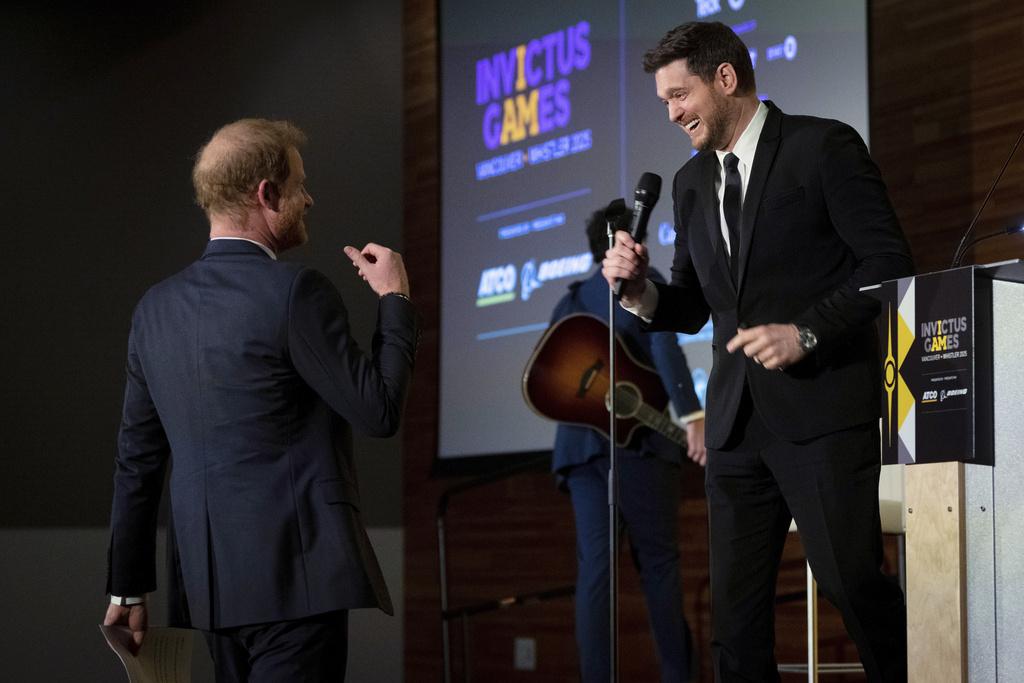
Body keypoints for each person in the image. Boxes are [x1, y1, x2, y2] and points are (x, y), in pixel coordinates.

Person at [602, 22, 913, 682]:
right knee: (736, 627)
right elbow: (692, 304)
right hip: (735, 426)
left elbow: (887, 263)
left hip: (822, 413)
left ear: (725, 78)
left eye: (679, 95)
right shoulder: (689, 183)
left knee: (853, 585)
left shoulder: (821, 146)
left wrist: (805, 332)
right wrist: (638, 292)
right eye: (663, 101)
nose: (672, 113)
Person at [102, 118, 417, 682]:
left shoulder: (153, 310)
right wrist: (395, 299)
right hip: (299, 582)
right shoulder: (296, 292)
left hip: (210, 591)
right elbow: (380, 411)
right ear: (266, 194)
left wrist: (127, 588)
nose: (309, 199)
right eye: (299, 184)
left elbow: (137, 460)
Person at [550, 209, 706, 682]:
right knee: (659, 567)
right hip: (641, 449)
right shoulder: (644, 283)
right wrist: (693, 416)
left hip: (581, 453)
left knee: (596, 571)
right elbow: (665, 347)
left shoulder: (570, 301)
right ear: (623, 242)